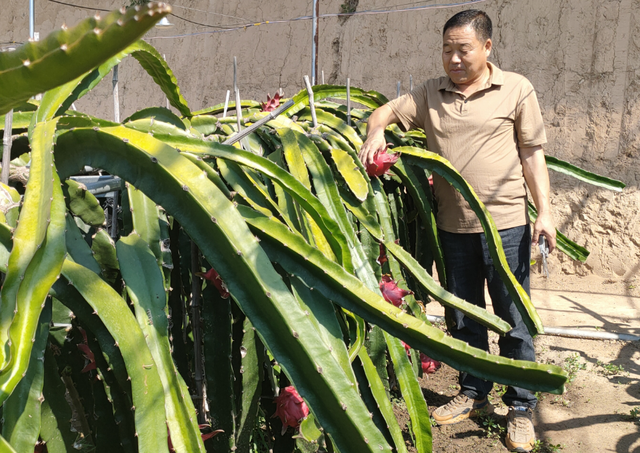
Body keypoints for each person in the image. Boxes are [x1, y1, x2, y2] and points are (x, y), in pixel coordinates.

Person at [357, 9, 556, 453]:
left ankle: (521, 407)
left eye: (462, 49)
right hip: (451, 227)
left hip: (505, 226)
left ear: (487, 47)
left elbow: (532, 155)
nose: (454, 58)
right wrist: (376, 135)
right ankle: (473, 392)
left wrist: (544, 212)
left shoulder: (516, 89)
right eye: (446, 49)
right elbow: (385, 111)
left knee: (513, 319)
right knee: (463, 315)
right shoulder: (431, 92)